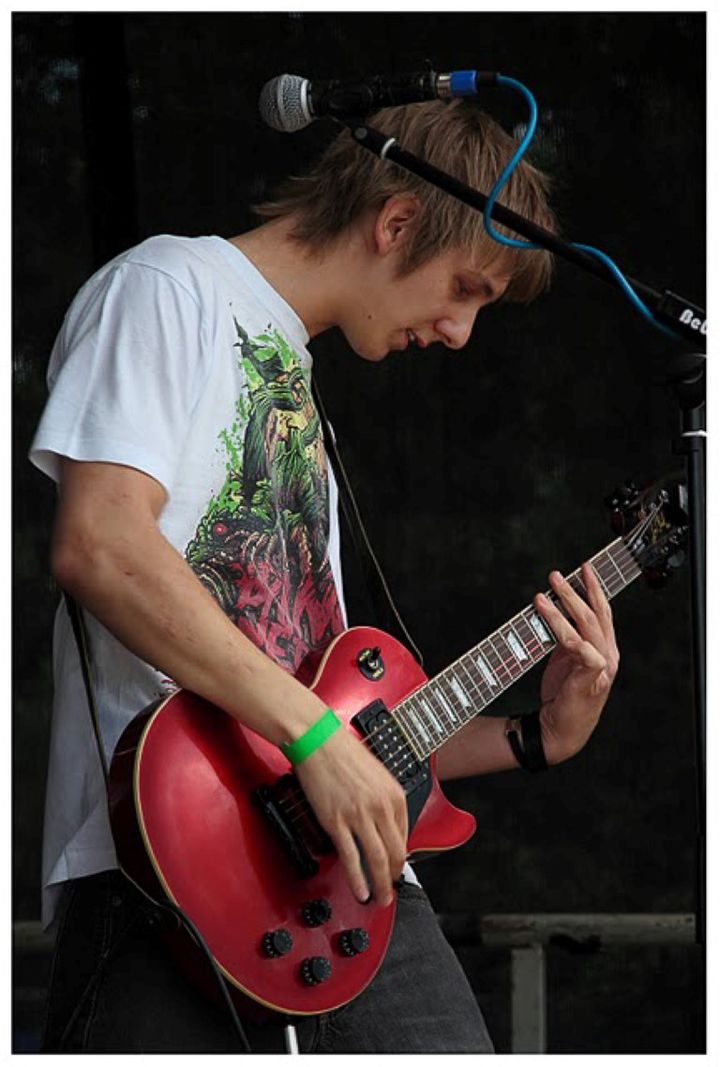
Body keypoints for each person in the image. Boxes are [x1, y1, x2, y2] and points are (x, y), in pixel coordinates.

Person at [30, 100, 619, 1053]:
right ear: (395, 223)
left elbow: (346, 737)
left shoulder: (304, 392)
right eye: (465, 288)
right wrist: (312, 735)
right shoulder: (166, 288)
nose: (462, 331)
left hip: (347, 882)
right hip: (162, 864)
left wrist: (530, 739)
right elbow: (100, 543)